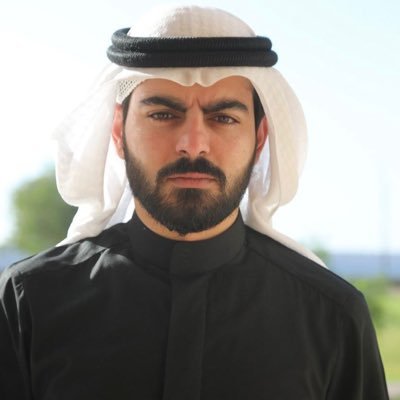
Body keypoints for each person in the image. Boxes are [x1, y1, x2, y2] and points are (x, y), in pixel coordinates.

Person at [0, 5, 389, 400]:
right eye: (163, 114)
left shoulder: (331, 317)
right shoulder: (30, 301)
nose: (193, 144)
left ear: (259, 139)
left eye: (223, 118)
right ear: (118, 132)